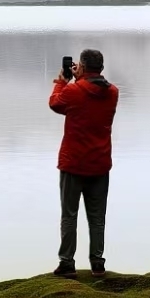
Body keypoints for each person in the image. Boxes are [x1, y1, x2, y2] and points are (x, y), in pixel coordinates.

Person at [49, 48, 120, 279]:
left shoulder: (73, 91)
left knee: (69, 215)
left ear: (81, 66)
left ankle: (67, 263)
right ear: (101, 68)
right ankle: (97, 263)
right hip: (100, 163)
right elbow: (91, 95)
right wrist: (80, 78)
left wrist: (62, 81)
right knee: (97, 217)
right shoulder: (113, 93)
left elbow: (55, 104)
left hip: (73, 164)